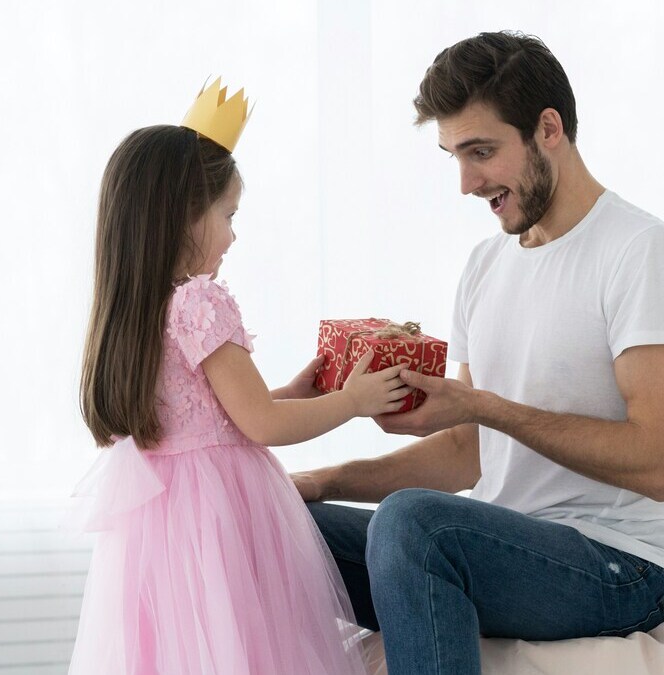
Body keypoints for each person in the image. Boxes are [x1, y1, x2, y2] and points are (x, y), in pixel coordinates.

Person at [292, 31, 664, 674]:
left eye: (481, 152)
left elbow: (658, 463)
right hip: (503, 548)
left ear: (549, 128)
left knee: (412, 525)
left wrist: (486, 406)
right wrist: (322, 483)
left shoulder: (645, 252)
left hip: (621, 566)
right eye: (454, 156)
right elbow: (469, 451)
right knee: (277, 527)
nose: (466, 182)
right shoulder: (486, 266)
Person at [68, 82, 410, 674]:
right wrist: (354, 401)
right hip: (221, 513)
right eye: (227, 216)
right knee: (253, 649)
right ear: (182, 219)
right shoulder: (200, 302)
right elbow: (260, 424)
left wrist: (295, 391)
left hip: (167, 525)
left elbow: (209, 415)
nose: (232, 236)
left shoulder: (132, 310)